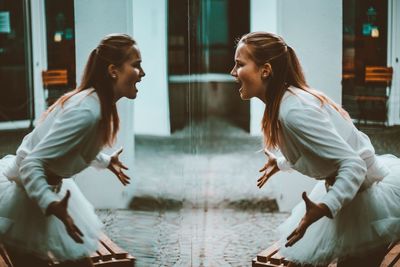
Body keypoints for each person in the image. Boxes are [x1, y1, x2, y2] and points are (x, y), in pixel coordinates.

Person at [230, 31, 400, 267]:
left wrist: (324, 207)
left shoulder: (293, 111)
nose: (233, 72)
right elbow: (313, 152)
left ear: (265, 70)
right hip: (349, 192)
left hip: (368, 199)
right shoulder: (284, 104)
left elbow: (353, 165)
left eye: (239, 64)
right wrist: (280, 163)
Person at [0, 33, 145, 267]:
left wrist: (106, 161)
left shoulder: (96, 103)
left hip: (50, 189)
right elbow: (31, 164)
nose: (143, 73)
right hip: (29, 196)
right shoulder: (87, 111)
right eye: (137, 65)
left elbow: (72, 148)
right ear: (113, 70)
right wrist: (51, 203)